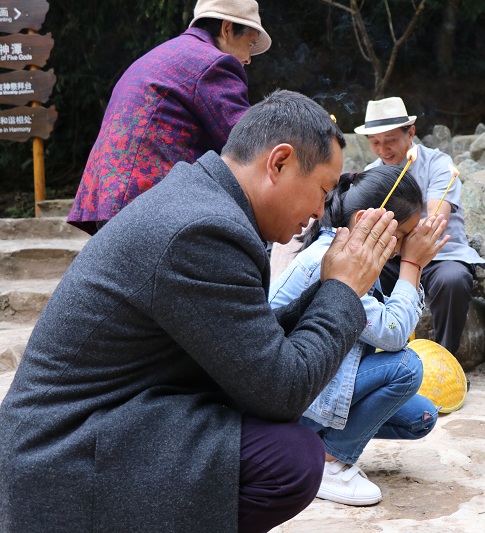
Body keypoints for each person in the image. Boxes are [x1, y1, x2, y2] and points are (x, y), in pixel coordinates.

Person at [0, 90, 401, 532]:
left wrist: (332, 286)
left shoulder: (205, 203)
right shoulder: (201, 231)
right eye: (323, 190)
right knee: (291, 458)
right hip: (63, 453)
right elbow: (282, 392)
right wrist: (343, 290)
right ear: (279, 162)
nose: (317, 212)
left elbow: (253, 348)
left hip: (97, 425)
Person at [269, 165, 448, 506]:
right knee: (406, 368)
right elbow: (395, 335)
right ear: (368, 219)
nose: (403, 246)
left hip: (311, 383)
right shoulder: (332, 258)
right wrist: (413, 264)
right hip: (285, 392)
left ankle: (310, 442)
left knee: (420, 417)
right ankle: (327, 463)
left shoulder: (347, 245)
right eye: (404, 234)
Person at [68, 0, 272, 235]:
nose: (248, 59)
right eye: (250, 44)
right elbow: (247, 143)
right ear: (227, 29)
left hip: (111, 194)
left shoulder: (166, 53)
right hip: (147, 198)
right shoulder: (214, 62)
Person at [355, 96, 485, 358]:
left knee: (453, 280)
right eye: (375, 143)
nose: (383, 149)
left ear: (411, 132)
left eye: (390, 140)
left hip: (440, 254)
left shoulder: (438, 163)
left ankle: (445, 360)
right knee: (361, 275)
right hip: (393, 256)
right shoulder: (372, 172)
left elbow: (436, 220)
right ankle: (379, 356)